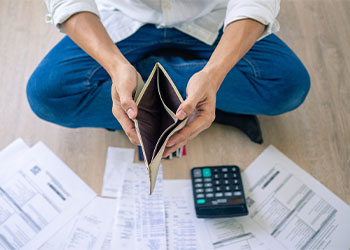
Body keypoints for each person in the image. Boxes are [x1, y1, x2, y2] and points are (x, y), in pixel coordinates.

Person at [27, 0, 310, 157]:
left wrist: (214, 73)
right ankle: (201, 99)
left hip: (214, 16)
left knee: (288, 87)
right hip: (124, 17)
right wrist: (115, 66)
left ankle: (156, 91)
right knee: (47, 95)